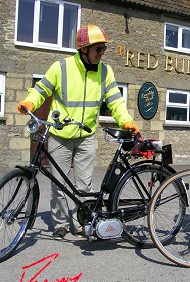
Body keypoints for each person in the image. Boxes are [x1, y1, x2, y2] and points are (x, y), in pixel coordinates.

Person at [17, 24, 139, 240]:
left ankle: (82, 221)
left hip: (87, 136)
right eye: (98, 49)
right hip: (60, 135)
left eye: (103, 49)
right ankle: (61, 224)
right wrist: (30, 102)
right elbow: (41, 89)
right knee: (59, 184)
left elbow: (115, 101)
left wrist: (127, 121)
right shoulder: (61, 68)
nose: (102, 54)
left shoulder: (105, 71)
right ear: (83, 49)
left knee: (84, 185)